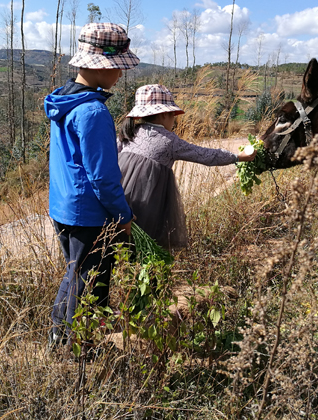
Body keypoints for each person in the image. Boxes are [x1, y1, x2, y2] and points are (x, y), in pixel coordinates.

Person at [44, 22, 139, 349]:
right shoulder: (94, 111)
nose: (120, 75)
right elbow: (102, 177)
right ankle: (82, 348)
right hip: (88, 214)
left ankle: (60, 336)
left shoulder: (64, 102)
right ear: (103, 67)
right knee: (91, 281)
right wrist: (123, 214)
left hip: (63, 207)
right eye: (118, 68)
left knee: (75, 274)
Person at [118, 84, 257, 250]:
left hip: (120, 196)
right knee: (146, 239)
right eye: (173, 116)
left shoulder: (129, 133)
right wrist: (236, 157)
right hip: (149, 201)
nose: (174, 121)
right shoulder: (169, 141)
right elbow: (204, 155)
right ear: (164, 114)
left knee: (121, 239)